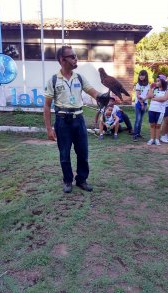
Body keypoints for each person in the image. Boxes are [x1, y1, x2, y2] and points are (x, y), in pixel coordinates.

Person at [44, 45, 110, 193]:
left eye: (75, 56)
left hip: (78, 120)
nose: (76, 59)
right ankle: (67, 181)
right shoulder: (53, 80)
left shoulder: (79, 77)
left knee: (83, 153)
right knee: (64, 154)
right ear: (62, 60)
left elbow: (93, 92)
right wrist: (49, 129)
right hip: (62, 122)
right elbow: (47, 106)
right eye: (72, 57)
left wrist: (104, 98)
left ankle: (81, 180)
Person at [147, 74, 168, 146]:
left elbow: (164, 99)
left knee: (158, 125)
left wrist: (154, 98)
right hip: (152, 109)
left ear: (162, 81)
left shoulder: (166, 90)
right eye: (156, 81)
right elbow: (149, 96)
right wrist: (150, 88)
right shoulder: (154, 89)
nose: (156, 83)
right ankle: (152, 139)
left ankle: (157, 139)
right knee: (152, 125)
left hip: (160, 111)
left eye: (158, 81)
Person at [133, 70, 150, 141]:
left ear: (146, 76)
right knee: (138, 119)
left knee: (141, 120)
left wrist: (144, 101)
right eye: (140, 75)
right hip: (138, 103)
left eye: (143, 75)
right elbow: (138, 95)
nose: (141, 76)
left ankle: (138, 133)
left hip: (145, 103)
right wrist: (142, 103)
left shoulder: (148, 85)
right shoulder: (138, 84)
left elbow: (148, 94)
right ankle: (135, 135)